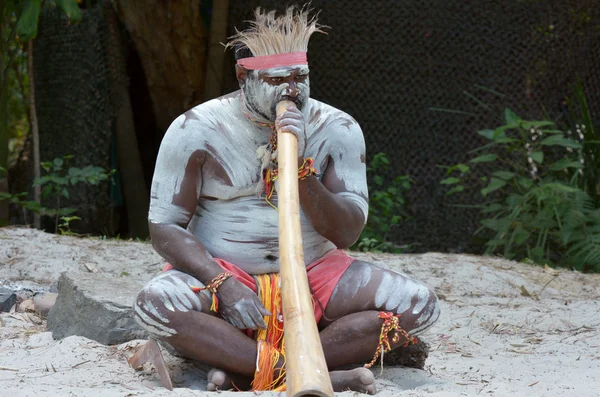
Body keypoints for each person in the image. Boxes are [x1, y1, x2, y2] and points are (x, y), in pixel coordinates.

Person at [133, 5, 440, 395]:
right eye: (277, 80)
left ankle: (251, 371)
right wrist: (222, 283)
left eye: (300, 77)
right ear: (244, 77)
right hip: (223, 270)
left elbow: (347, 232)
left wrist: (301, 172)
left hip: (317, 270)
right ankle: (305, 372)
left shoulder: (337, 127)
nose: (291, 90)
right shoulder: (196, 129)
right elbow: (164, 227)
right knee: (153, 305)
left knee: (420, 305)